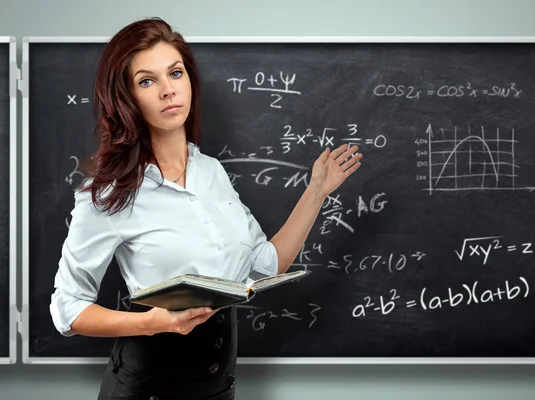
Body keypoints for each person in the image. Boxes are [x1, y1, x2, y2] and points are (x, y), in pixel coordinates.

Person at [49, 17, 363, 400]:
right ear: (127, 98)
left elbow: (265, 264)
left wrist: (316, 191)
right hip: (148, 388)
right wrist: (152, 323)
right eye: (147, 81)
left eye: (175, 73)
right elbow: (68, 307)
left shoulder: (211, 171)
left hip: (217, 387)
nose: (168, 90)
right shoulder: (109, 194)